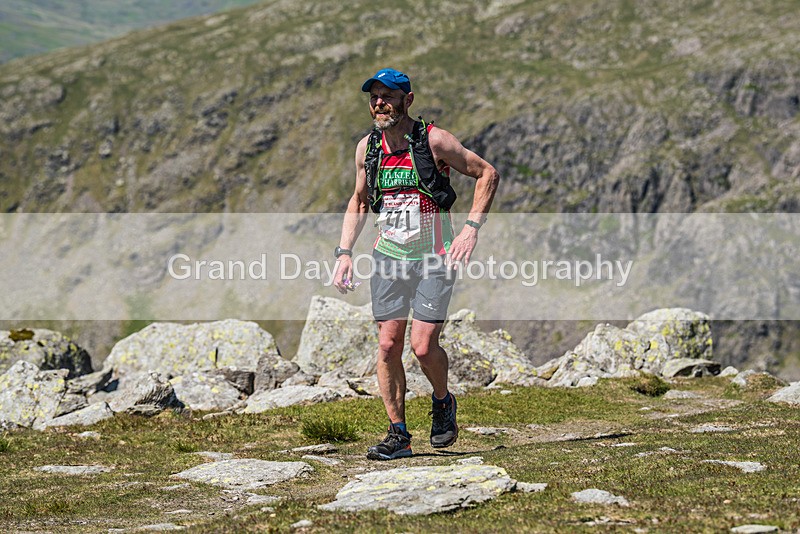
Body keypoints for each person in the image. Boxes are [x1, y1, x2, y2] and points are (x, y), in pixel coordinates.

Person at [333, 68, 499, 460]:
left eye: (388, 95)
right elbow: (358, 202)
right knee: (388, 344)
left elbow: (486, 173)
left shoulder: (434, 140)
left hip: (434, 259)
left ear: (407, 100)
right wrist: (344, 253)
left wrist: (471, 228)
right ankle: (399, 435)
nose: (379, 103)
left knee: (423, 347)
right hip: (388, 258)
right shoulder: (367, 148)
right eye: (373, 96)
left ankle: (442, 402)